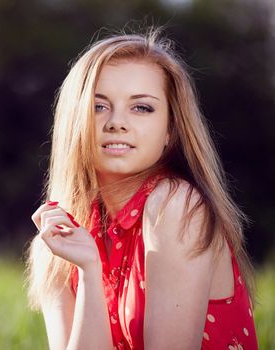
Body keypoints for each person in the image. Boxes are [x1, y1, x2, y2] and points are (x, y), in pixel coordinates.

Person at [25, 27, 259, 350]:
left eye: (141, 107)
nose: (117, 122)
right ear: (73, 121)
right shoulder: (55, 242)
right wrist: (89, 270)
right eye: (98, 106)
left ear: (170, 130)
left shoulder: (175, 206)